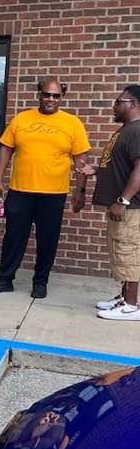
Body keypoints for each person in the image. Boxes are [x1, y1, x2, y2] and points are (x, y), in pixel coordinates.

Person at [0, 77, 90, 299]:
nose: (51, 99)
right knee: (13, 237)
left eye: (56, 95)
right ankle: (5, 279)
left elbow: (81, 162)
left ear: (62, 97)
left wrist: (79, 193)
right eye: (47, 94)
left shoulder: (72, 123)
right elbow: (5, 150)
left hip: (54, 194)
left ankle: (40, 282)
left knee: (47, 240)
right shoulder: (21, 119)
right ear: (39, 93)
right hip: (20, 190)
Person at [78, 85, 140, 321]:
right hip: (122, 205)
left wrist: (123, 200)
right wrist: (93, 170)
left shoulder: (137, 130)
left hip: (130, 207)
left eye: (118, 101)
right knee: (120, 252)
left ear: (132, 103)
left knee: (129, 252)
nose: (114, 106)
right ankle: (125, 297)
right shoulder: (124, 131)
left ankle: (132, 306)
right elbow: (119, 168)